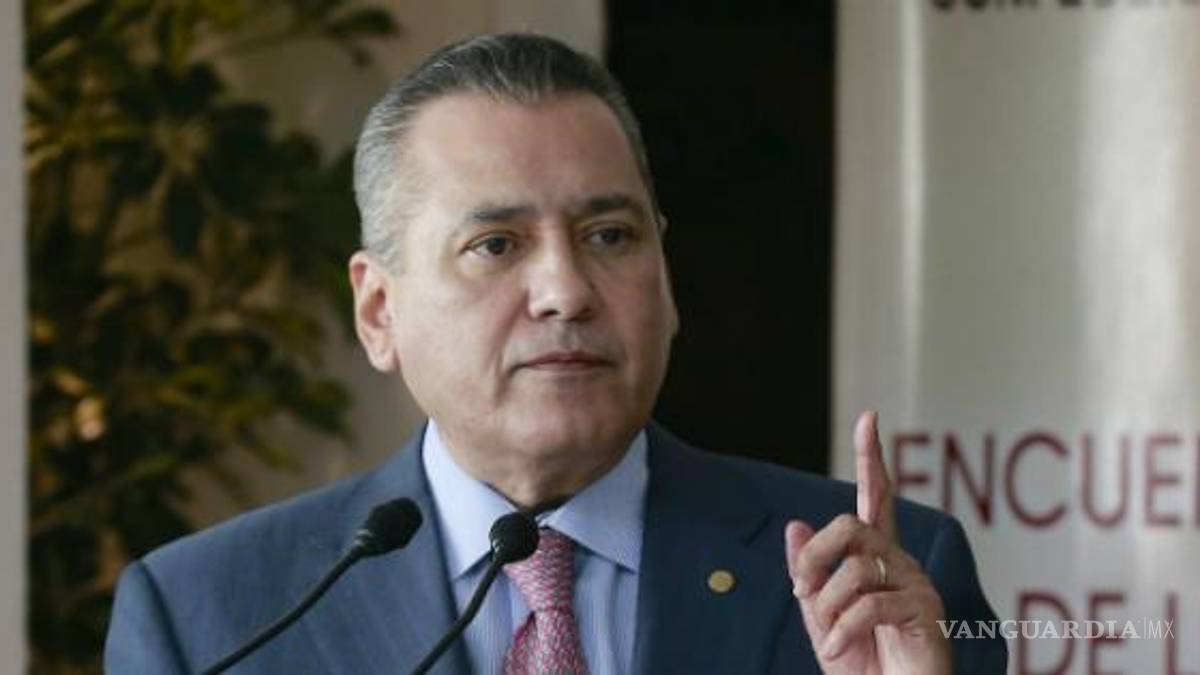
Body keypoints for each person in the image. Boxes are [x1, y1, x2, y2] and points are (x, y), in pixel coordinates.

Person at [105, 33, 1006, 674]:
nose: (567, 290)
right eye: (495, 244)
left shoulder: (882, 578)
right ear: (379, 311)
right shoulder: (209, 616)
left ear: (667, 279)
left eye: (609, 236)